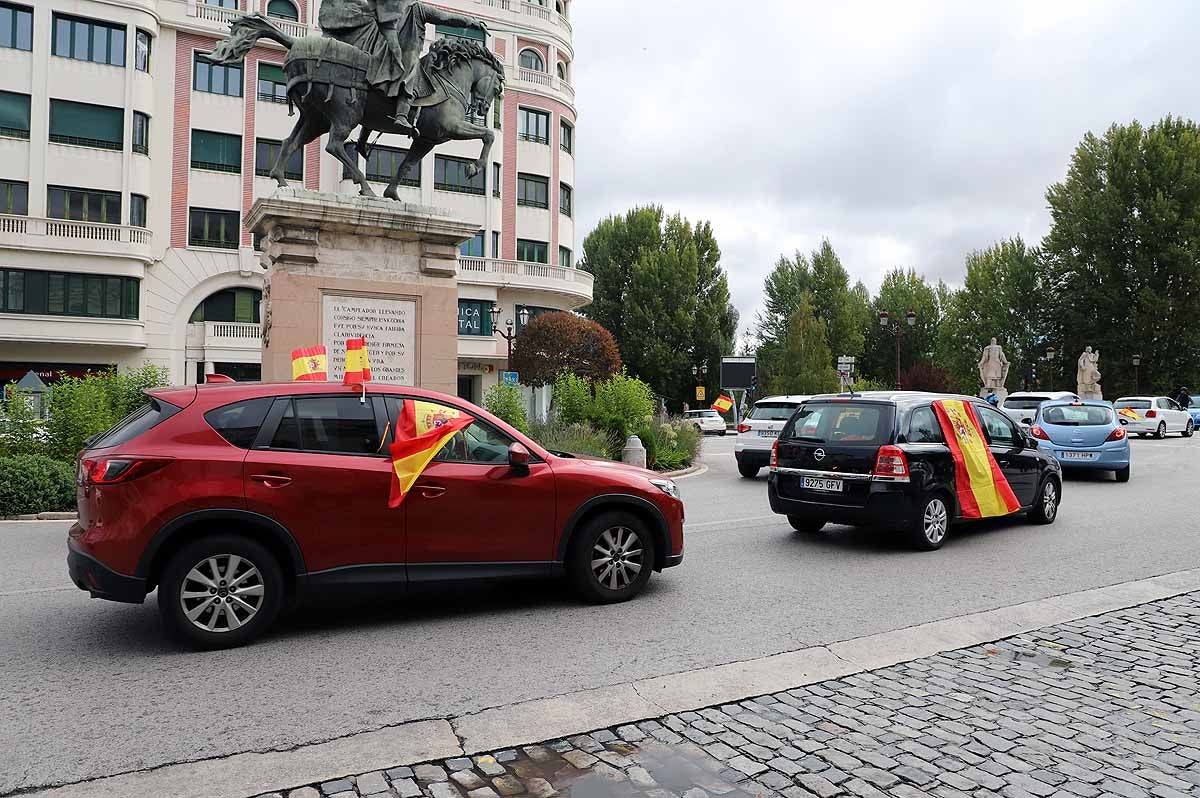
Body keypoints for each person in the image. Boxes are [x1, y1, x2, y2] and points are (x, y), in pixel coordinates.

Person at [318, 0, 488, 134]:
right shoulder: (418, 8)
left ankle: (366, 132)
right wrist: (472, 23)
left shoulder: (391, 5)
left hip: (383, 51)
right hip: (406, 52)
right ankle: (401, 115)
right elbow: (445, 18)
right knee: (411, 75)